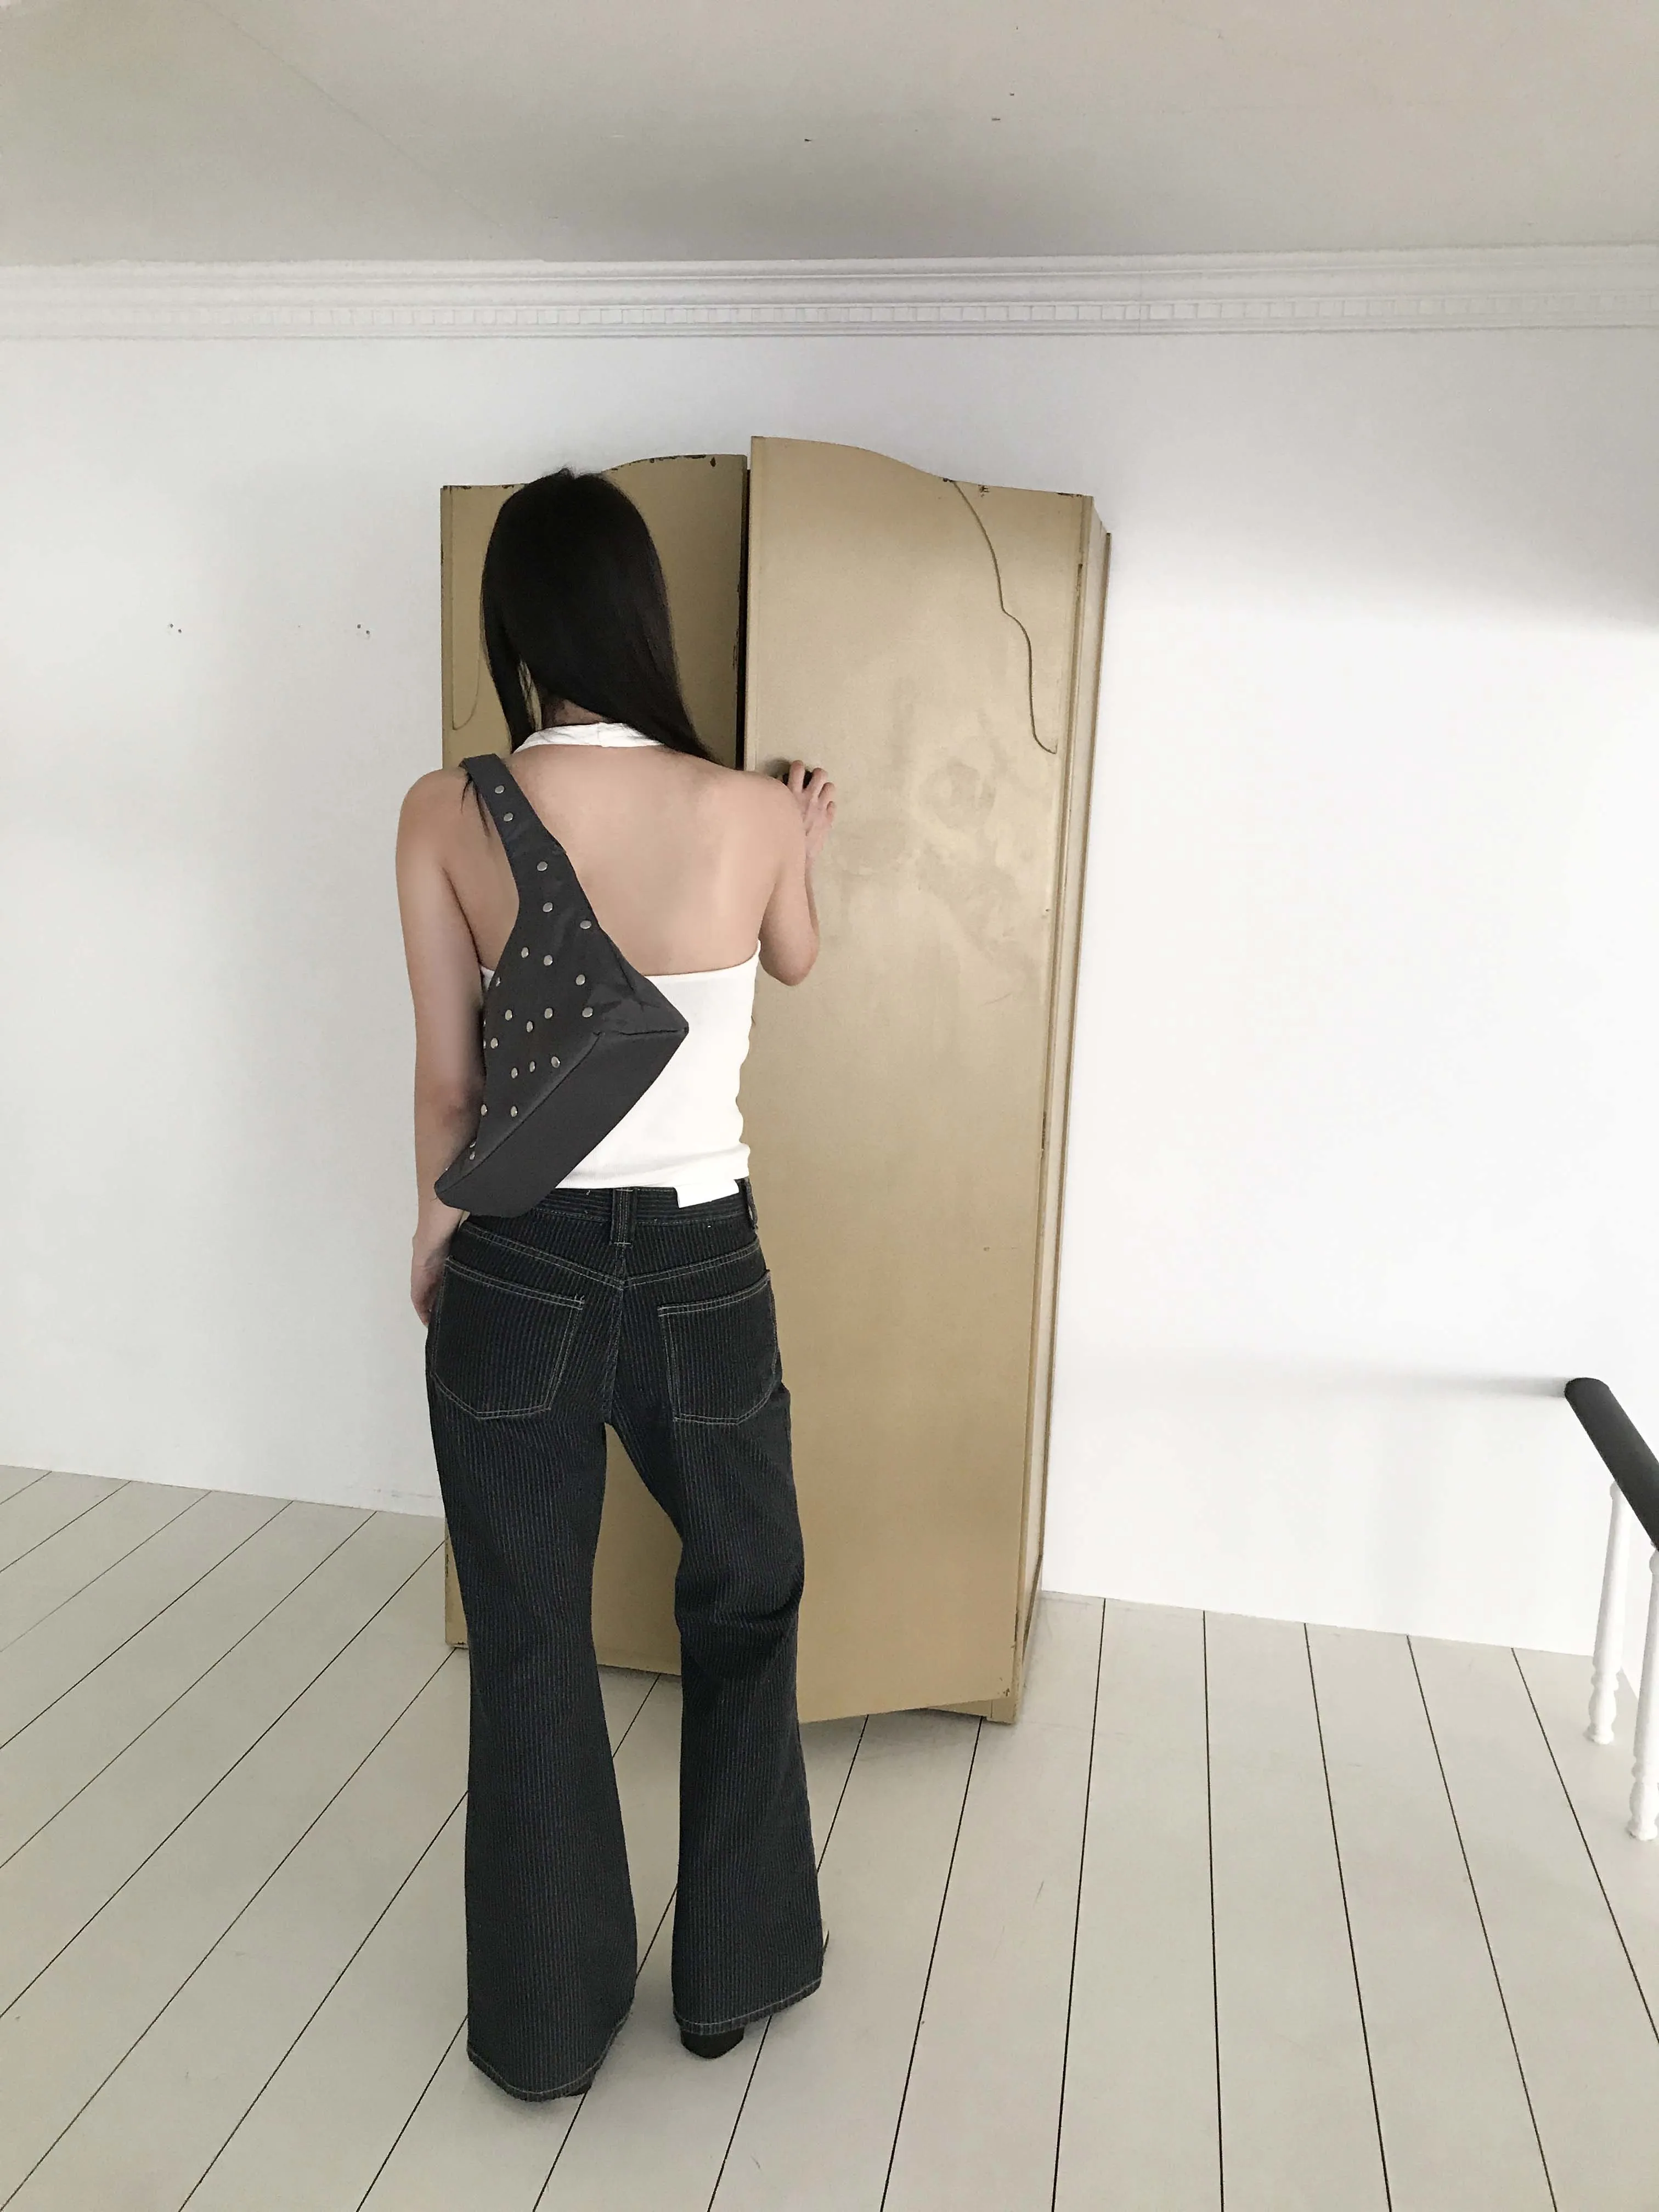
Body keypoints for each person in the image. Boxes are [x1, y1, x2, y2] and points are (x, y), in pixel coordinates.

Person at [395, 469, 837, 2101]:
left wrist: (433, 1235)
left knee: (527, 1630)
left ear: (514, 633)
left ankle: (545, 2030)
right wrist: (803, 838)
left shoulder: (446, 813)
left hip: (521, 1258)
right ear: (642, 617)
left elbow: (452, 1084)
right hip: (704, 1266)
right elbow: (797, 958)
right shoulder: (751, 812)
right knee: (746, 1597)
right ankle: (735, 1974)